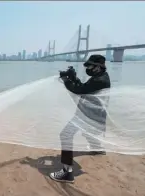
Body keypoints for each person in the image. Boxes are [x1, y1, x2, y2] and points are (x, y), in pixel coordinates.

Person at [49, 54, 111, 183]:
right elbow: (84, 88)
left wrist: (67, 80)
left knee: (65, 135)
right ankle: (97, 149)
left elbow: (78, 90)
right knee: (88, 133)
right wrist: (74, 78)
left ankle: (67, 173)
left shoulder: (99, 80)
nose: (87, 68)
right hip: (93, 114)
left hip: (88, 116)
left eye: (90, 65)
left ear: (98, 67)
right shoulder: (100, 77)